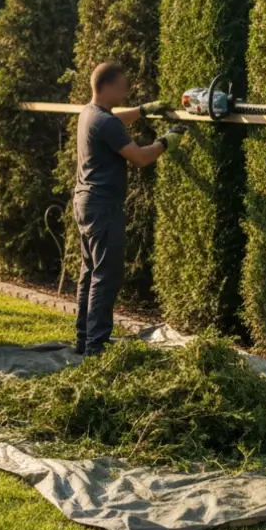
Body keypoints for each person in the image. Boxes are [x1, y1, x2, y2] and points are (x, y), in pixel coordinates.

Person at [73, 62, 185, 356]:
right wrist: (165, 142)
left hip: (85, 202)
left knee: (90, 272)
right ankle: (96, 346)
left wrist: (143, 110)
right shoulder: (105, 122)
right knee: (105, 275)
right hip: (103, 206)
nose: (127, 89)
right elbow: (139, 158)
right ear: (108, 86)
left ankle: (84, 339)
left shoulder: (90, 113)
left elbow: (116, 121)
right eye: (123, 85)